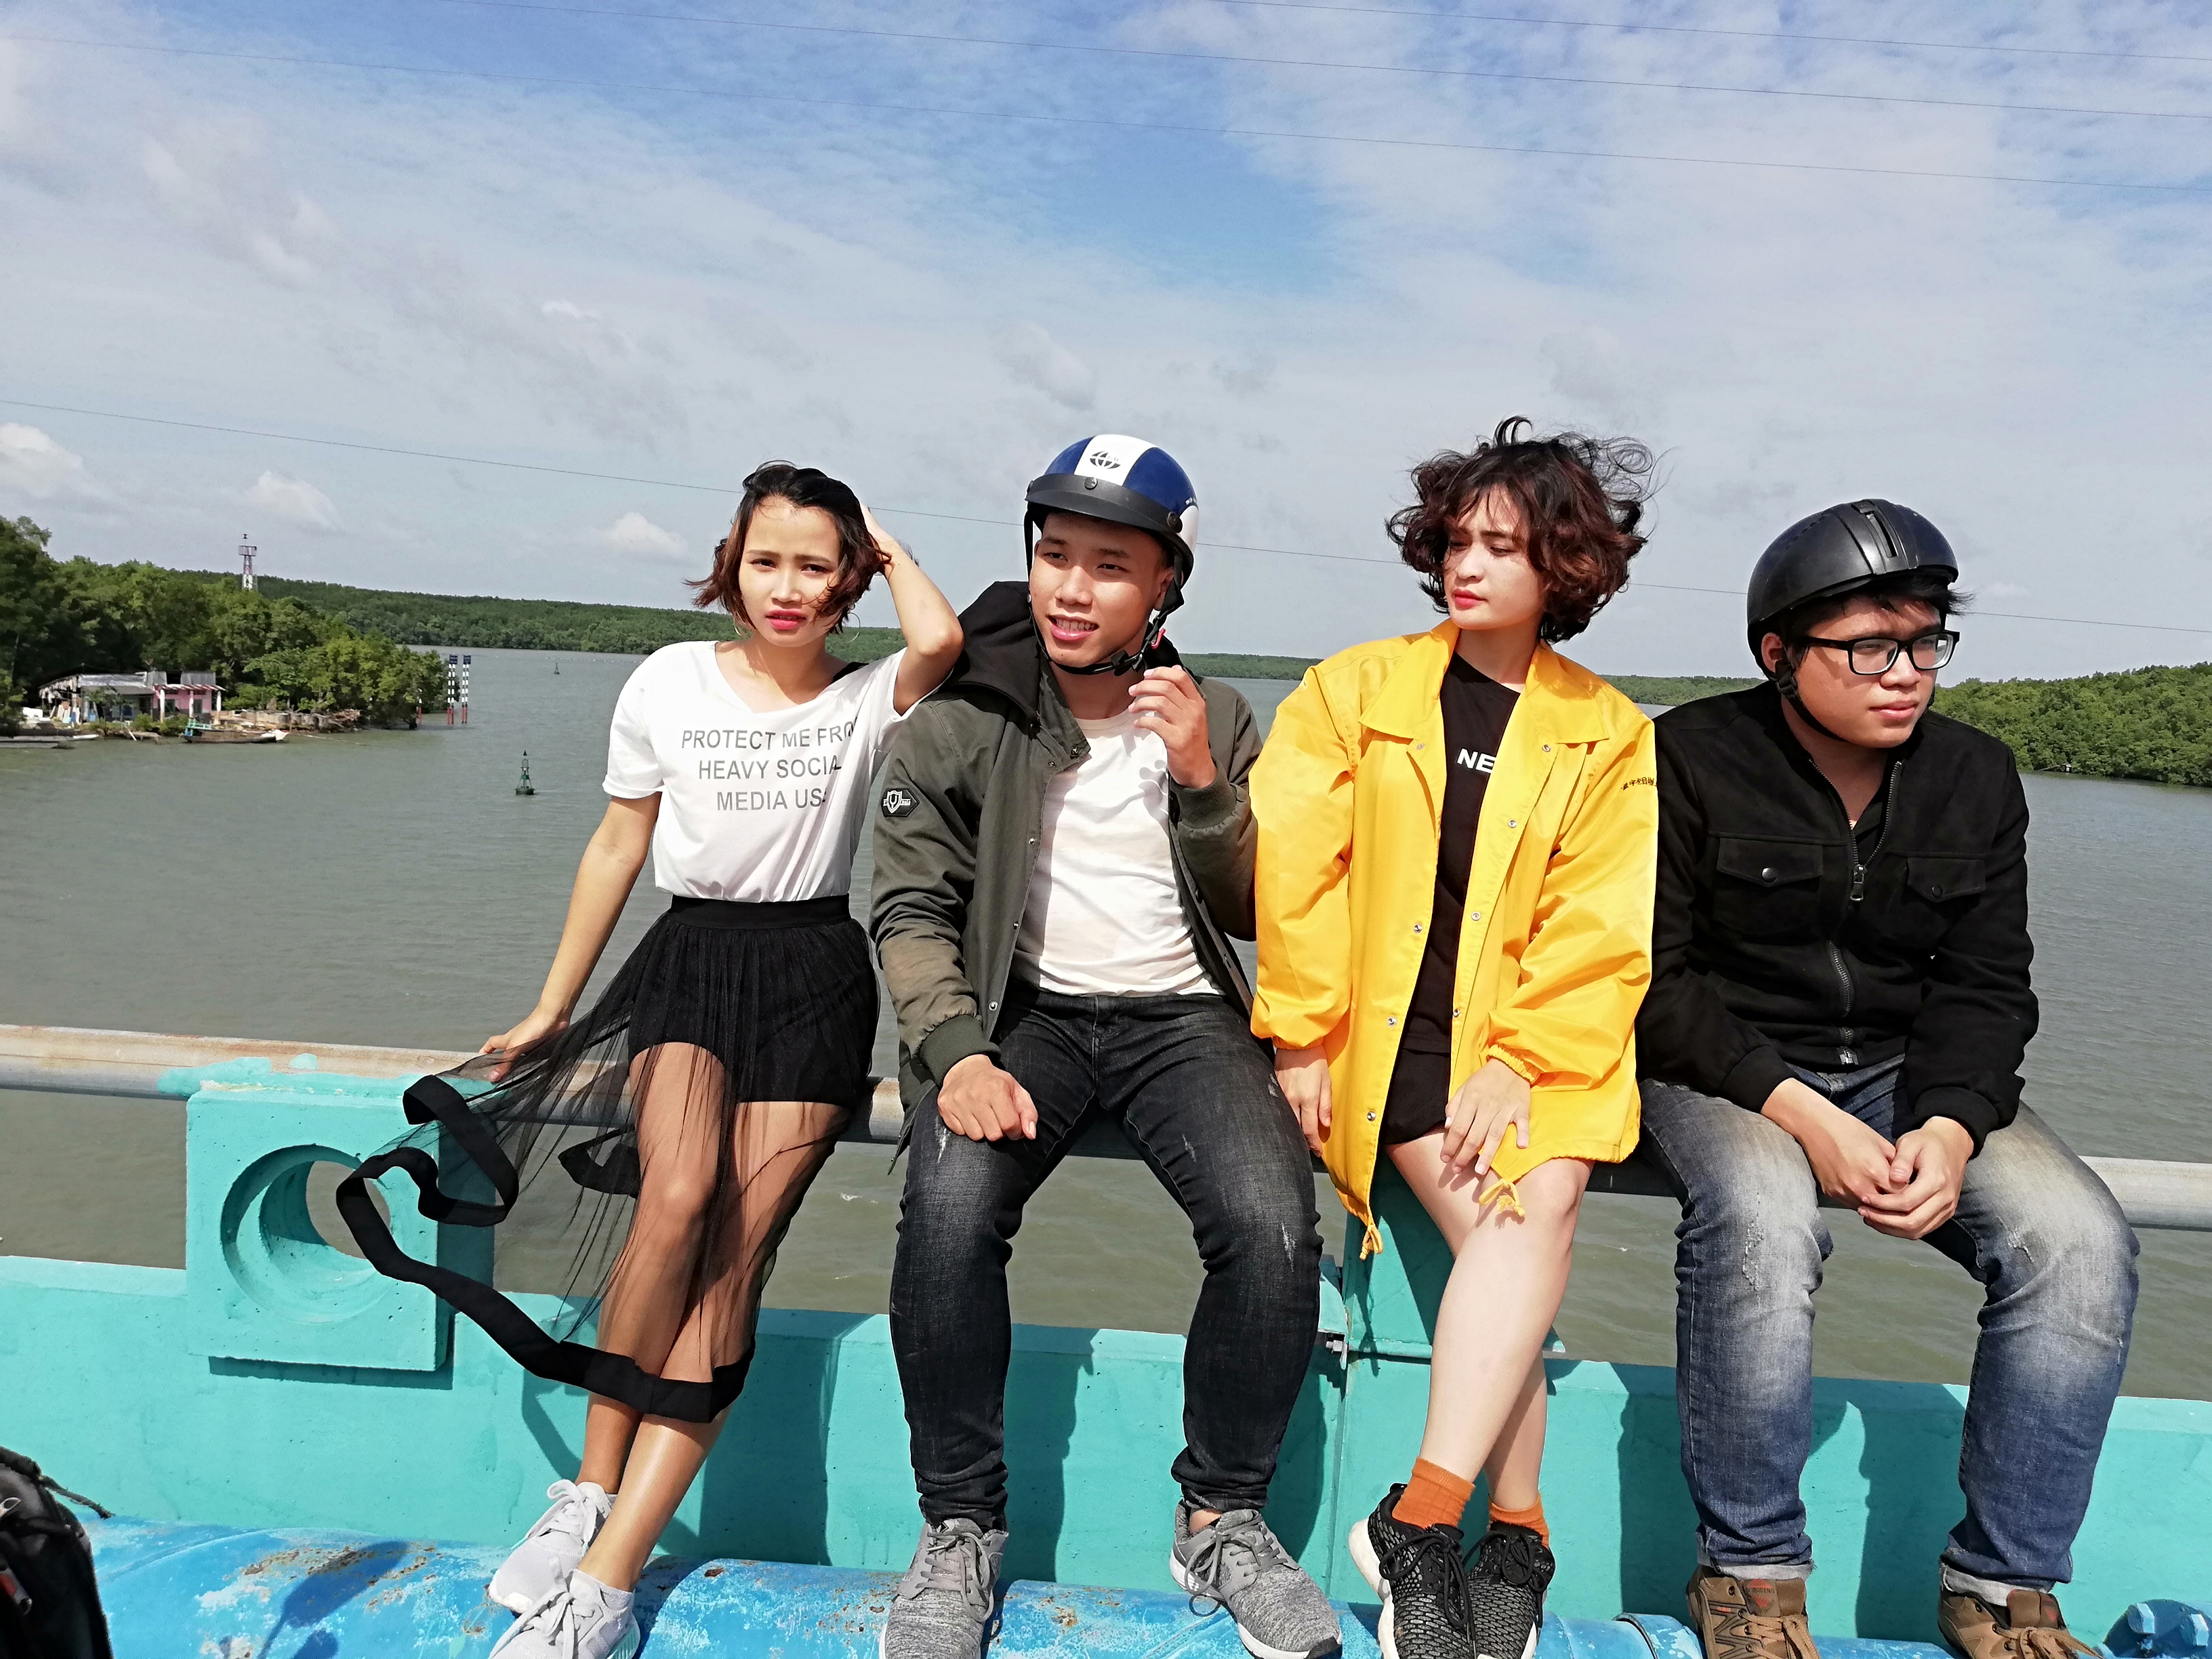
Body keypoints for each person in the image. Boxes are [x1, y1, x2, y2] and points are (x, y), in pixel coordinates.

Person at [339, 463, 961, 1659]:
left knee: (735, 1259)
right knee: (672, 1199)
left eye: (816, 565)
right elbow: (618, 843)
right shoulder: (670, 679)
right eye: (765, 560)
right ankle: (588, 1491)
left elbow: (936, 636)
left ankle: (610, 1581)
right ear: (731, 563)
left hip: (814, 974)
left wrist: (878, 537)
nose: (787, 587)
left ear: (851, 578)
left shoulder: (867, 694)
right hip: (687, 960)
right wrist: (552, 1005)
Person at [1633, 501, 2139, 1659]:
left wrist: (1952, 1128)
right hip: (1728, 1070)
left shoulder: (1976, 776)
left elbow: (1989, 987)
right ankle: (1751, 1578)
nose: (1906, 674)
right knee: (1762, 1217)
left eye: (1924, 644)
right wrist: (1801, 1113)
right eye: (1869, 648)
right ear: (1779, 652)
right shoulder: (1687, 758)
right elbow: (1652, 981)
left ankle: (2001, 1588)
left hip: (1910, 1074)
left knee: (2078, 1240)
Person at [869, 435, 1341, 1659]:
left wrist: (1200, 779)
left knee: (1273, 1226)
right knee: (948, 1214)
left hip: (1183, 1019)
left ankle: (1221, 1517)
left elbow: (1262, 910)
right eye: (1056, 555)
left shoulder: (1220, 715)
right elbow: (910, 907)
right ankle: (961, 1526)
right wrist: (956, 1051)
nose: (1071, 589)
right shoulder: (964, 713)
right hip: (1021, 1013)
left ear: (1165, 584)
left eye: (1110, 566)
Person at [1252, 418, 1658, 1659]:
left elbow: (1598, 921)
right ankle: (1511, 1532)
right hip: (1386, 1031)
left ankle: (1431, 1522)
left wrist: (1520, 1057)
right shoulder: (1355, 690)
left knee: (1536, 1211)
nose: (1468, 566)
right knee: (1519, 1228)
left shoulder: (1607, 730)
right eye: (1458, 541)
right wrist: (1301, 1037)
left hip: (1528, 1042)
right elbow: (1296, 872)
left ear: (1567, 567)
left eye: (1505, 546)